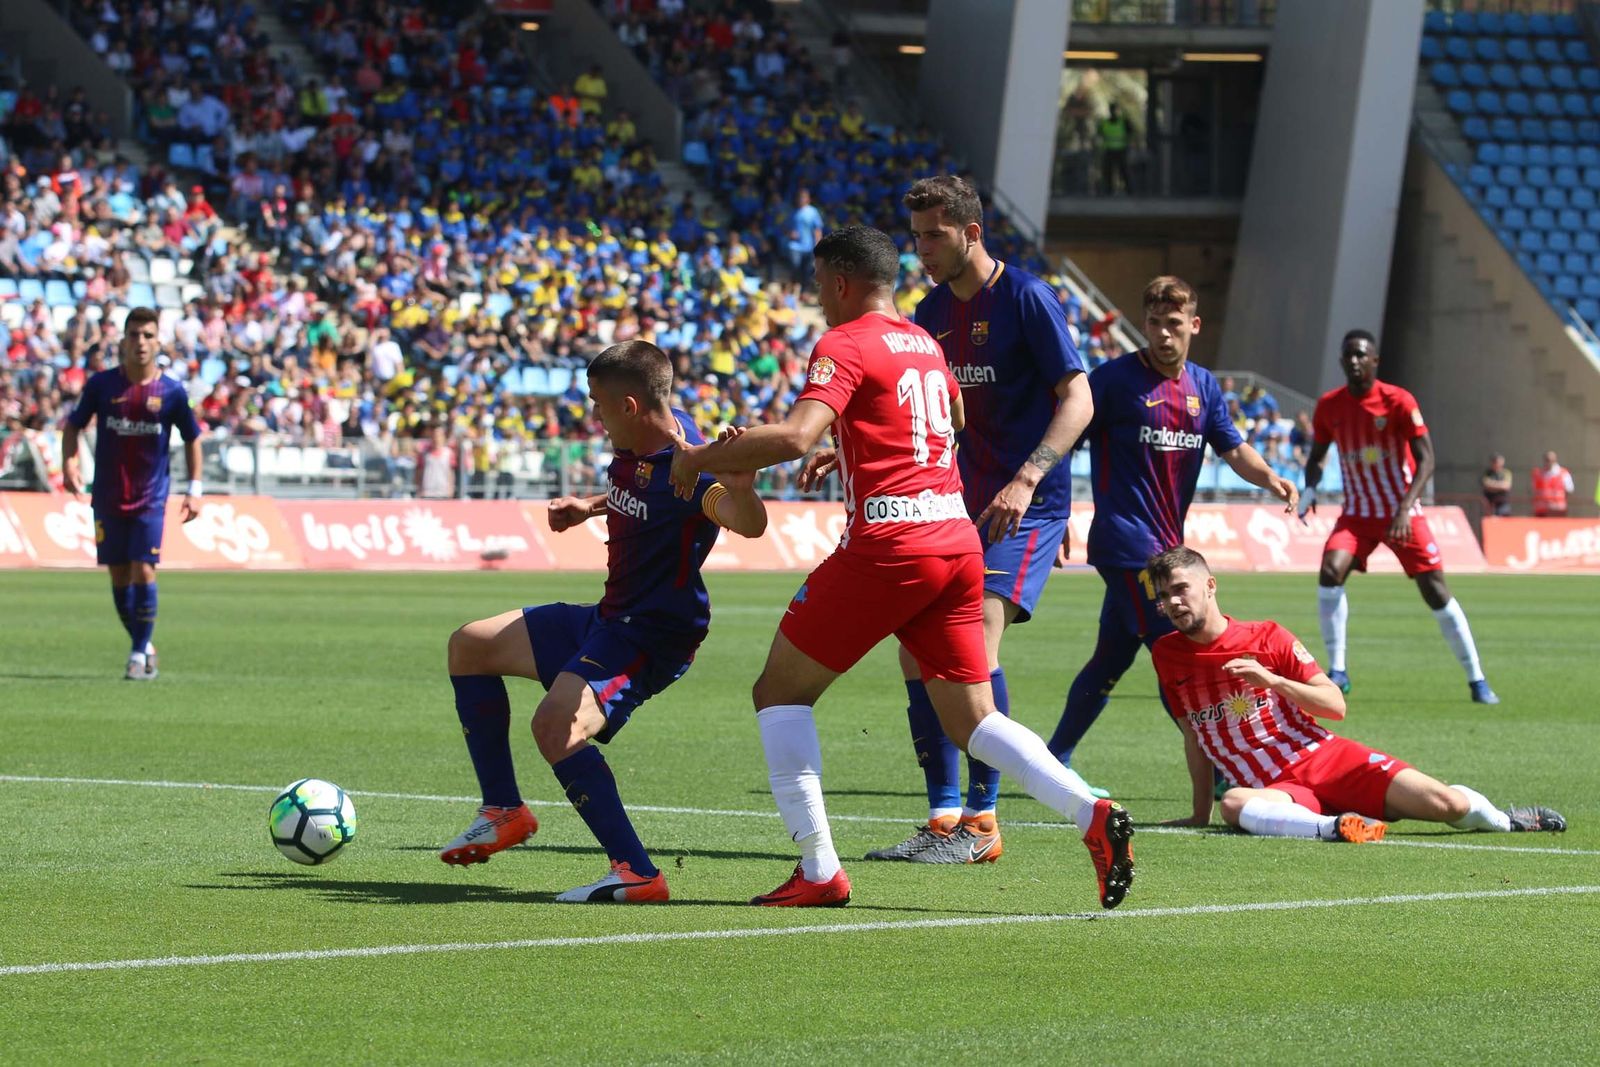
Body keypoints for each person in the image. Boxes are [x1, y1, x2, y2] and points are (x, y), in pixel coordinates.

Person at [669, 225, 1135, 910]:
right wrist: (857, 447)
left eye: (821, 287)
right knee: (973, 719)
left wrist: (698, 457)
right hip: (955, 540)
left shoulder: (844, 342)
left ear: (840, 282)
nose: (820, 302)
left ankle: (820, 868)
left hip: (891, 545)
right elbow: (946, 418)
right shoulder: (927, 345)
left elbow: (799, 433)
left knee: (778, 692)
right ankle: (1089, 809)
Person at [436, 340, 768, 903]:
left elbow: (747, 524)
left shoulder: (690, 469)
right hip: (609, 616)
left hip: (651, 636)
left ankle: (637, 873)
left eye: (599, 404)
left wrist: (740, 486)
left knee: (554, 727)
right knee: (470, 645)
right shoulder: (654, 433)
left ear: (632, 406)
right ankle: (503, 811)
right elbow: (634, 486)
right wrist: (587, 508)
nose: (594, 415)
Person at [854, 174, 1093, 865]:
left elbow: (1077, 399)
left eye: (935, 235)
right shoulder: (928, 313)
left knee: (975, 644)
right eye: (917, 236)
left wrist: (1028, 476)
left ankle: (983, 823)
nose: (921, 249)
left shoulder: (1027, 299)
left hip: (1025, 504)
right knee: (914, 648)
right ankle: (943, 816)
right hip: (955, 501)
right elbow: (933, 408)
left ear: (972, 232)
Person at [1046, 277, 1297, 780]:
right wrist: (1056, 511)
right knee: (1175, 648)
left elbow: (1232, 447)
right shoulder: (1114, 381)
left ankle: (1052, 761)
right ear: (1145, 324)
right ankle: (1223, 766)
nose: (1163, 334)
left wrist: (1269, 476)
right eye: (1155, 324)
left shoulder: (1203, 387)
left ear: (1194, 326)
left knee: (1109, 662)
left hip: (1168, 550)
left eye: (1174, 325)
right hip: (1125, 544)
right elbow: (1063, 437)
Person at [1147, 546, 1566, 841]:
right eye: (1165, 596)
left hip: (1325, 760)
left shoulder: (1267, 637)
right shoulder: (1166, 655)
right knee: (1235, 804)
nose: (1173, 602)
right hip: (1274, 790)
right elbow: (1193, 736)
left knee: (1447, 805)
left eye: (1181, 588)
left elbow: (1335, 705)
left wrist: (1274, 682)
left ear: (1211, 585)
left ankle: (1504, 821)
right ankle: (1339, 827)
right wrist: (1200, 813)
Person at [1300, 330, 1498, 704]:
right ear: (1342, 361)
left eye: (1362, 355)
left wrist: (1406, 508)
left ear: (1375, 361)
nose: (1355, 361)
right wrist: (1310, 488)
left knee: (1435, 591)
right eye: (1349, 355)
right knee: (1330, 571)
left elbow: (1427, 459)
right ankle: (1338, 670)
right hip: (1357, 514)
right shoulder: (1329, 406)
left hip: (1401, 512)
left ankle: (1477, 679)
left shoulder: (1397, 401)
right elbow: (1316, 456)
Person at [60, 306, 202, 681]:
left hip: (151, 498)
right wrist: (69, 464)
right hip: (107, 495)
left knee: (143, 568)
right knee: (119, 575)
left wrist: (195, 489)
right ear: (123, 340)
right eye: (134, 335)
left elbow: (193, 438)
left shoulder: (171, 392)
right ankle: (145, 642)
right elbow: (73, 427)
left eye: (147, 335)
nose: (140, 342)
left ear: (158, 341)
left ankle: (138, 652)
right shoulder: (102, 386)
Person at [1530, 450, 1574, 517]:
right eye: (1547, 460)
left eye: (1551, 460)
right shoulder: (1538, 474)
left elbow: (1569, 490)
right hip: (1541, 510)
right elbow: (1533, 491)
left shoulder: (1563, 473)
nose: (1549, 462)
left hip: (1558, 510)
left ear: (1555, 460)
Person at [1481, 453, 1512, 517]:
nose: (1496, 463)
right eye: (1495, 462)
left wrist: (1492, 485)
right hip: (1490, 504)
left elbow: (1506, 486)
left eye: (1498, 462)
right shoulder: (1487, 473)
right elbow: (1486, 484)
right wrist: (1499, 485)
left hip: (1502, 504)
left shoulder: (1506, 473)